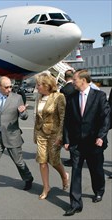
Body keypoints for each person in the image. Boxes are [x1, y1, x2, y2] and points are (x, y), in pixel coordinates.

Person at [63, 69, 111, 216]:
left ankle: (98, 190)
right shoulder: (72, 97)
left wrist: (101, 136)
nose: (73, 83)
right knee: (76, 171)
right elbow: (67, 121)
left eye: (75, 80)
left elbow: (106, 118)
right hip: (77, 143)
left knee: (96, 170)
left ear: (83, 80)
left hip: (94, 142)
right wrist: (66, 140)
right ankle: (75, 203)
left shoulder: (99, 96)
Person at [0, 76, 34, 200]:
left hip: (12, 135)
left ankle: (28, 178)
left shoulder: (17, 98)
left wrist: (22, 112)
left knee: (19, 162)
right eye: (6, 87)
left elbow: (24, 117)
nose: (9, 89)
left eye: (11, 86)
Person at [33, 72, 69, 200]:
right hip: (41, 133)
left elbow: (63, 117)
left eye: (39, 85)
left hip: (54, 134)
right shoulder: (38, 97)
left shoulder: (59, 97)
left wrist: (60, 136)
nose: (37, 87)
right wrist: (35, 134)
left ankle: (64, 175)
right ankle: (46, 187)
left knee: (54, 161)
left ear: (47, 85)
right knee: (42, 161)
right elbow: (37, 118)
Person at [60, 69, 77, 167]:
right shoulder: (76, 88)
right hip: (77, 116)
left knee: (69, 137)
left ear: (65, 77)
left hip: (68, 116)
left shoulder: (64, 89)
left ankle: (72, 159)